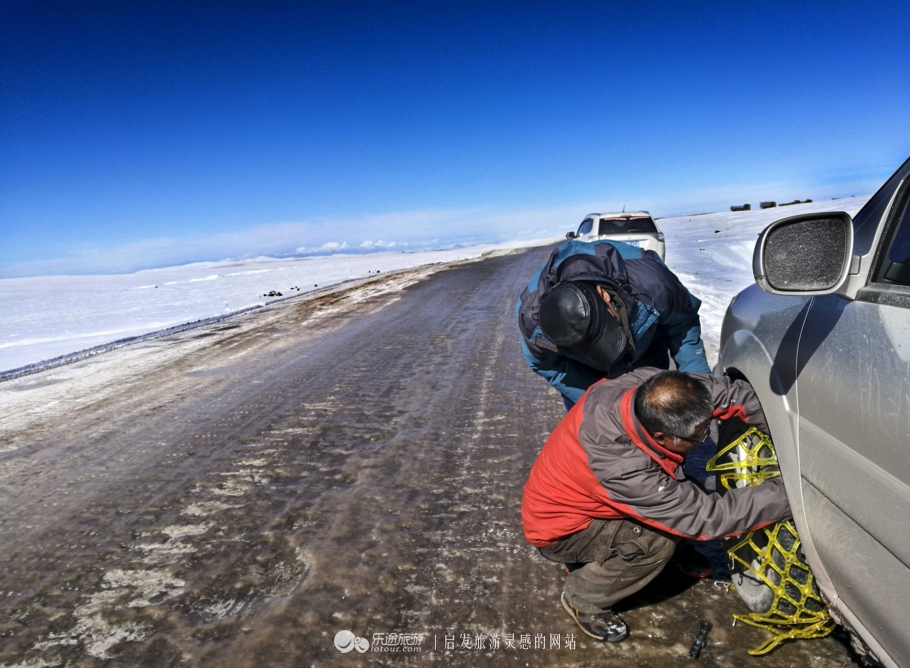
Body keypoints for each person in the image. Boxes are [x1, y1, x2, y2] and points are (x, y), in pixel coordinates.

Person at [521, 369, 790, 642]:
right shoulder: (622, 467)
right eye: (698, 436)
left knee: (686, 494)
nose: (703, 437)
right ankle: (584, 597)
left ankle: (661, 559)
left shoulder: (660, 389)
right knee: (656, 542)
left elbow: (735, 395)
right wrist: (789, 494)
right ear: (662, 437)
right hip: (562, 530)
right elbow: (704, 518)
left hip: (595, 496)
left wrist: (787, 440)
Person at [517, 239, 710, 411]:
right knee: (599, 430)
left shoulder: (655, 284)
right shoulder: (532, 323)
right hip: (586, 372)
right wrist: (600, 401)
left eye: (604, 334)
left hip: (646, 352)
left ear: (604, 294)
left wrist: (700, 386)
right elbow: (547, 365)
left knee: (657, 412)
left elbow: (683, 328)